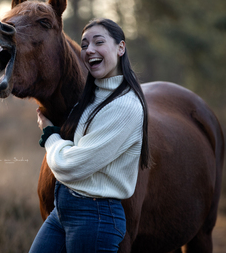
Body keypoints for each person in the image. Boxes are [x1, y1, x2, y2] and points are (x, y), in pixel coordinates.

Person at [29, 18, 150, 253]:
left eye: (99, 42)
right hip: (63, 210)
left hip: (95, 217)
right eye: (84, 45)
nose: (89, 50)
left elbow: (72, 166)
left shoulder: (125, 106)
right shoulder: (92, 99)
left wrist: (50, 135)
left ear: (121, 48)